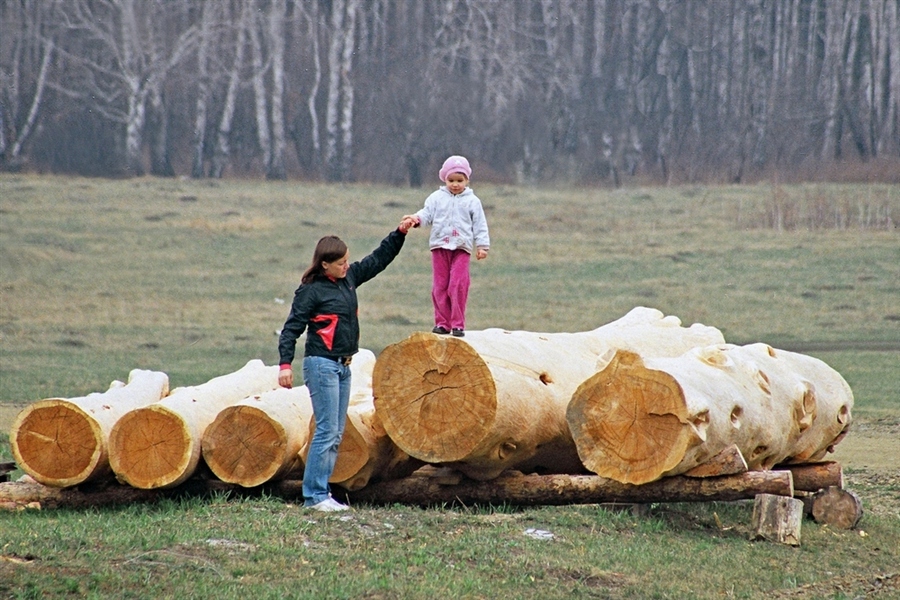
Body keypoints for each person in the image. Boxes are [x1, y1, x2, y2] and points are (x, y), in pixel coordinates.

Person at [277, 221, 410, 512]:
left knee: (336, 432)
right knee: (326, 431)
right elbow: (291, 330)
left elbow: (378, 260)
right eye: (341, 263)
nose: (347, 266)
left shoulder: (349, 279)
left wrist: (399, 234)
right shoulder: (311, 292)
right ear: (325, 265)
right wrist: (285, 364)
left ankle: (322, 493)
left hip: (344, 366)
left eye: (348, 260)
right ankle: (314, 496)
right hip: (321, 365)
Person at [401, 155, 489, 337]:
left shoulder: (472, 201)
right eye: (451, 180)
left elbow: (480, 224)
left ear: (467, 180)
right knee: (440, 286)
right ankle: (442, 322)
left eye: (460, 180)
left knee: (457, 284)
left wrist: (482, 246)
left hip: (461, 248)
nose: (455, 184)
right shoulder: (436, 198)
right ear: (444, 179)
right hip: (440, 246)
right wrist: (415, 219)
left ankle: (458, 323)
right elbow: (426, 214)